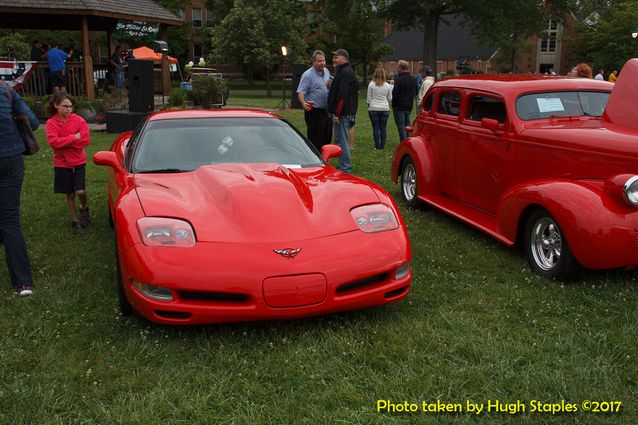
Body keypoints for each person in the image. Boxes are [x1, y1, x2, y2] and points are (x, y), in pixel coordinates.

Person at [0, 80, 39, 296]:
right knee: (10, 221)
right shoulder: (5, 88)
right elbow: (32, 123)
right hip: (10, 157)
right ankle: (23, 282)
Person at [45, 93, 91, 231]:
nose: (68, 109)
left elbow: (85, 140)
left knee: (81, 191)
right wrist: (73, 138)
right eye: (65, 106)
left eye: (71, 106)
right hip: (61, 163)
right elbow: (53, 142)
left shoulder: (79, 121)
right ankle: (75, 221)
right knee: (69, 193)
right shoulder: (51, 123)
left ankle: (84, 208)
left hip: (78, 161)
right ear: (56, 105)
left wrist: (64, 142)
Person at [327, 48, 358, 174]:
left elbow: (342, 96)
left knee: (343, 140)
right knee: (339, 140)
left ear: (344, 58)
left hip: (343, 113)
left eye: (336, 57)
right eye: (334, 57)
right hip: (344, 112)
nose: (334, 59)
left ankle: (345, 167)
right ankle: (343, 165)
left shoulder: (345, 72)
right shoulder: (344, 71)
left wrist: (337, 114)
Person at [296, 50, 332, 151]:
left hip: (326, 111)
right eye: (319, 61)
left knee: (327, 137)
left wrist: (329, 86)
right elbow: (300, 92)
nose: (322, 63)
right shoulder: (307, 75)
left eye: (323, 61)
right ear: (313, 62)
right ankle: (315, 159)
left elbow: (325, 88)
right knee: (315, 139)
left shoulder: (327, 71)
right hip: (314, 112)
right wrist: (303, 103)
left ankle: (324, 160)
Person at [367, 67, 392, 150]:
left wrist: (370, 107)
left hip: (373, 108)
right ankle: (382, 146)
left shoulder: (371, 84)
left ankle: (377, 145)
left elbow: (368, 99)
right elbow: (390, 98)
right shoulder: (388, 85)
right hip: (384, 109)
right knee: (383, 128)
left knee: (375, 128)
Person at [391, 60, 417, 142]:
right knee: (407, 124)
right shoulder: (413, 79)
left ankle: (404, 142)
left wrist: (394, 104)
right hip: (409, 105)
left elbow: (395, 94)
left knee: (401, 125)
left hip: (399, 106)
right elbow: (416, 91)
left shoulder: (398, 80)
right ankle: (409, 140)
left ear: (400, 67)